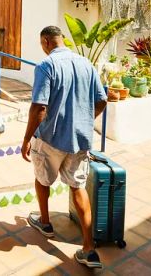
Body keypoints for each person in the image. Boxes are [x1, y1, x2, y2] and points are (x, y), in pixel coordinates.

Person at [22, 25, 107, 269]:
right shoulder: (87, 65)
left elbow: (39, 107)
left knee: (42, 179)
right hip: (79, 140)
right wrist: (85, 121)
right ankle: (89, 249)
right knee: (77, 187)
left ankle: (45, 223)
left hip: (51, 138)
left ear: (47, 42)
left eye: (42, 44)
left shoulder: (46, 66)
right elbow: (101, 100)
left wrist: (27, 138)